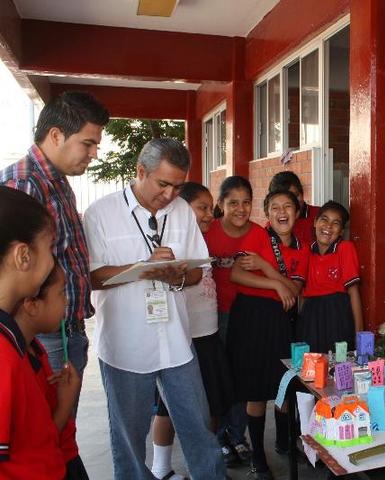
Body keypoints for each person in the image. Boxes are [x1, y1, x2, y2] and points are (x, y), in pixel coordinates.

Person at [83, 139, 225, 479]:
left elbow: (197, 271)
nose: (170, 194)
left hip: (176, 339)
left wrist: (177, 274)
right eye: (163, 184)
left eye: (177, 185)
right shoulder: (101, 213)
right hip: (124, 345)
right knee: (129, 437)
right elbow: (93, 277)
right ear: (140, 171)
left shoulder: (181, 212)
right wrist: (144, 267)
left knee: (198, 426)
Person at [0, 91, 109, 407]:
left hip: (65, 328)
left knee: (61, 430)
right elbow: (12, 274)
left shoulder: (56, 181)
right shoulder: (24, 184)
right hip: (41, 335)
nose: (94, 154)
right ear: (56, 135)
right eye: (87, 144)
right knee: (43, 429)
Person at [150, 182, 234, 480]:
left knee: (210, 402)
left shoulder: (201, 238)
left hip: (207, 333)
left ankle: (205, 462)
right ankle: (161, 469)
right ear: (181, 209)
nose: (209, 214)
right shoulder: (172, 240)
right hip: (185, 337)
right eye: (202, 207)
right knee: (168, 408)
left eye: (211, 208)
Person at [229, 189, 310, 480]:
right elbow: (236, 275)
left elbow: (296, 290)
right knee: (255, 390)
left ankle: (285, 444)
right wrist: (276, 285)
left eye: (287, 206)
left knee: (282, 385)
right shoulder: (257, 236)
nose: (281, 212)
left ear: (297, 212)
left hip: (281, 321)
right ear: (267, 213)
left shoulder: (302, 248)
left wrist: (266, 269)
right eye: (274, 207)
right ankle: (258, 459)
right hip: (251, 317)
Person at [0, 186, 65, 478]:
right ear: (23, 255)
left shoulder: (14, 340)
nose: (52, 260)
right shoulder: (3, 355)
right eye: (49, 247)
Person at [204, 176, 266, 465]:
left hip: (247, 316)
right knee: (218, 379)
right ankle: (220, 442)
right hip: (213, 316)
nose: (241, 209)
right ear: (220, 205)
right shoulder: (208, 232)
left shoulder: (259, 234)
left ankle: (238, 437)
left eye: (246, 202)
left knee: (242, 378)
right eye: (233, 203)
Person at [16, 263, 87, 479]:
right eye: (61, 293)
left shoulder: (35, 350)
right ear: (32, 304)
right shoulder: (14, 363)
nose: (67, 301)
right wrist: (65, 404)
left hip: (64, 458)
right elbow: (37, 447)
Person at [297, 201, 363, 353]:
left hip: (337, 316)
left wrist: (359, 336)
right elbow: (303, 294)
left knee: (337, 367)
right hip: (311, 318)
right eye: (324, 219)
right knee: (311, 368)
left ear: (341, 231)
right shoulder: (306, 250)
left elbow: (353, 292)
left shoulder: (345, 248)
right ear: (315, 222)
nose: (328, 226)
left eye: (335, 223)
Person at [268, 171, 320, 244]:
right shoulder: (272, 225)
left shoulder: (320, 215)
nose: (293, 202)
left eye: (296, 195)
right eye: (286, 200)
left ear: (302, 193)